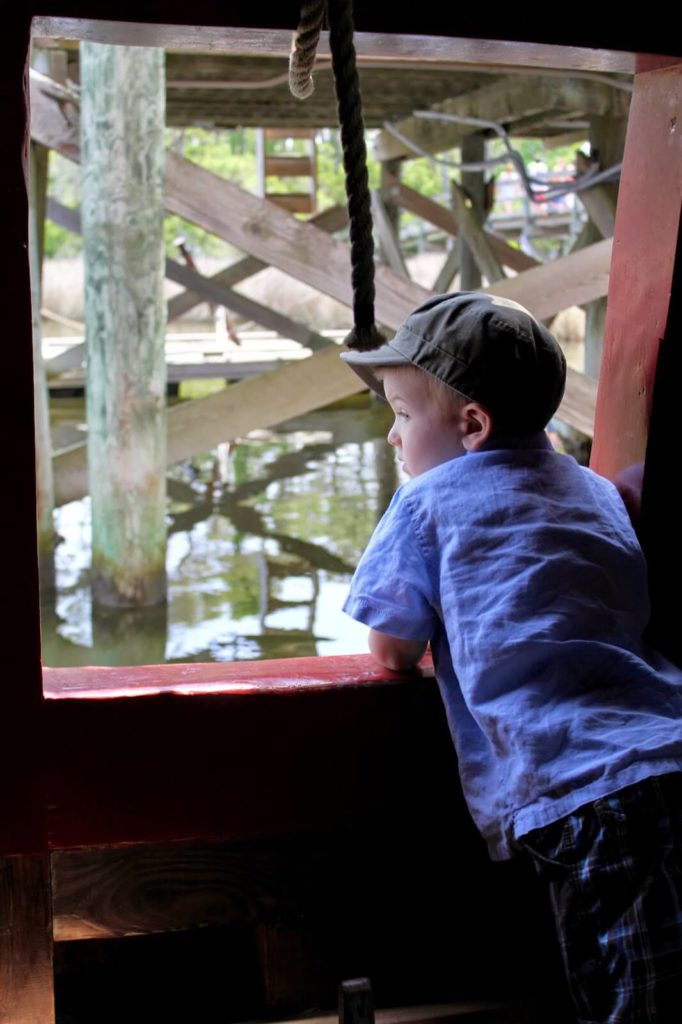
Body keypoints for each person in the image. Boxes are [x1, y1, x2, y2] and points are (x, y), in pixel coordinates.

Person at [340, 291, 682, 1023]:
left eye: (401, 416)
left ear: (472, 425)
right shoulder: (595, 490)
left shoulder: (426, 504)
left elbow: (393, 649)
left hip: (582, 789)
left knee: (622, 999)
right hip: (665, 744)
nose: (394, 440)